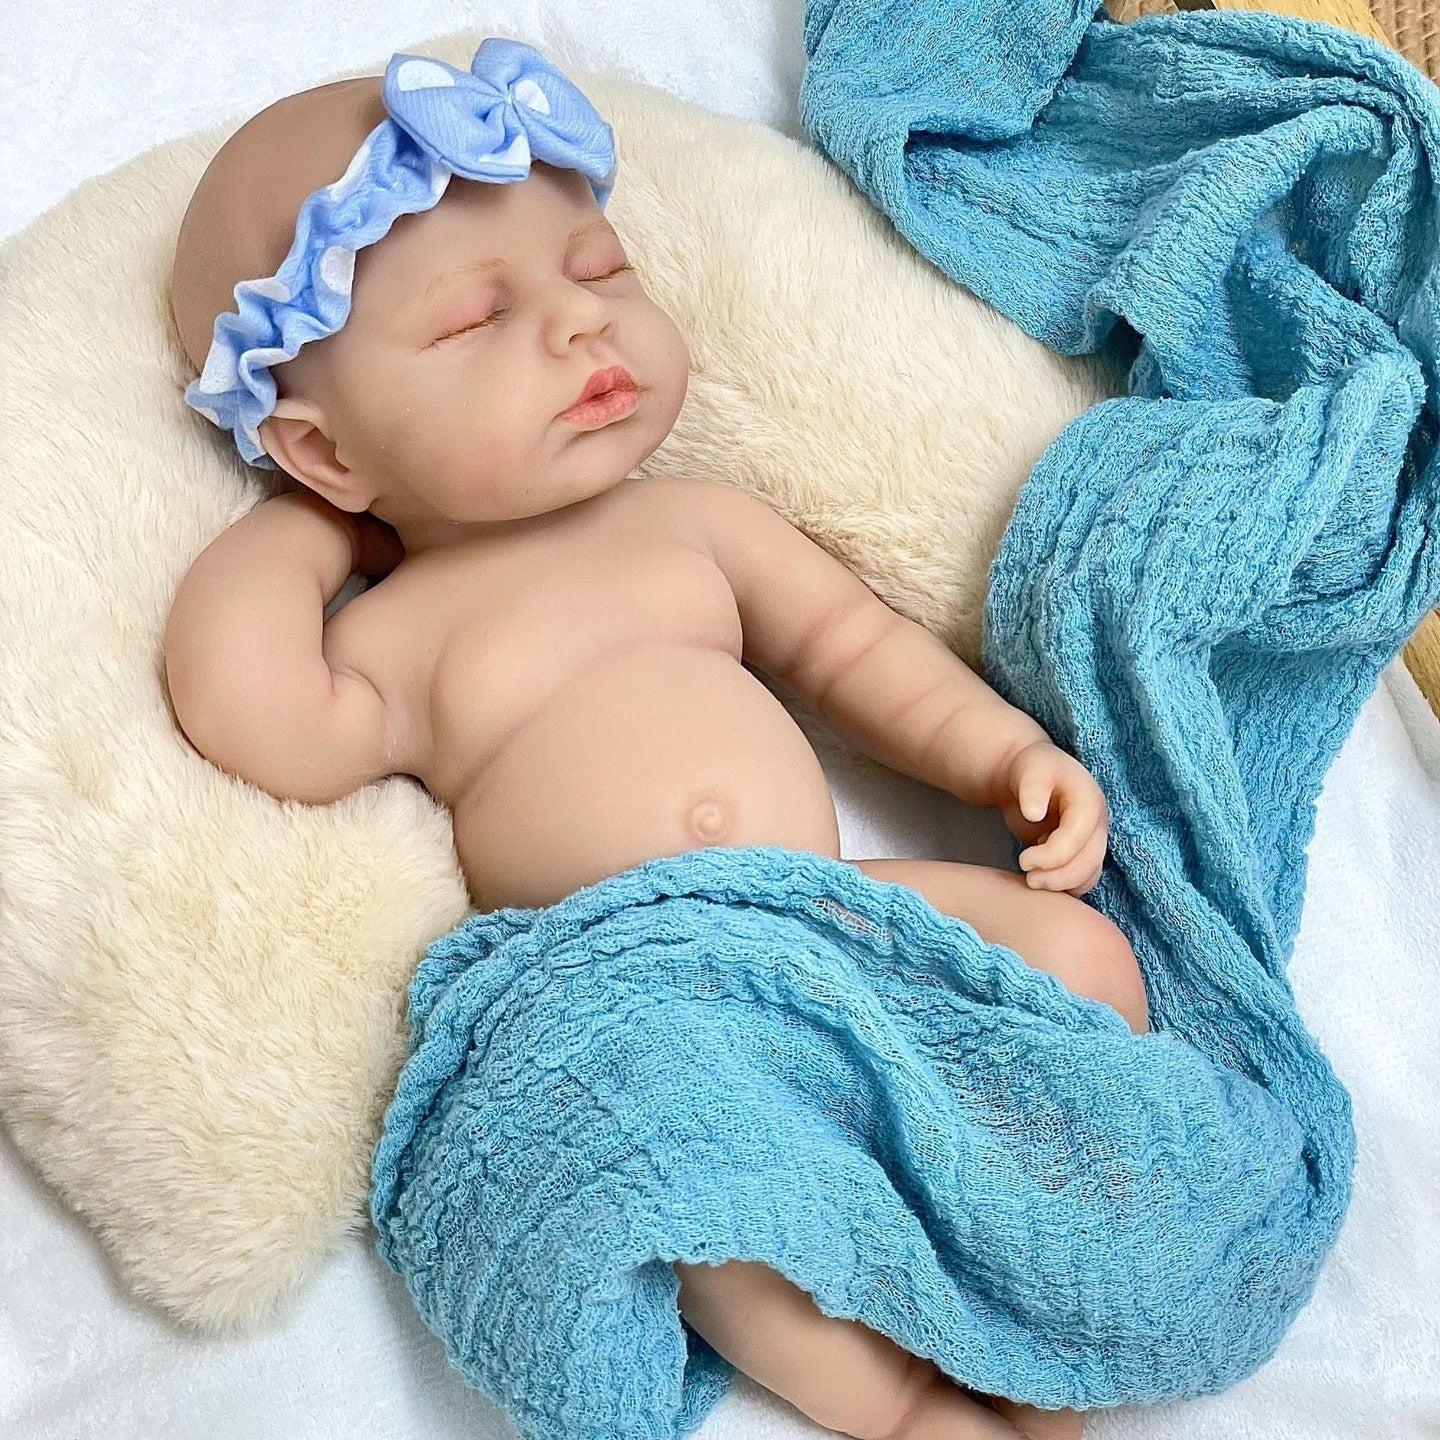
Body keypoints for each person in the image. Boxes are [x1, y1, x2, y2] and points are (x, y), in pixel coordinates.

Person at [164, 37, 1147, 1440]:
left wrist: (998, 757)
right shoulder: (402, 637)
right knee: (692, 1187)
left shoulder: (695, 524)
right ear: (326, 449)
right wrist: (303, 531)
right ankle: (900, 1408)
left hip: (829, 917)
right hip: (646, 996)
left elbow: (855, 650)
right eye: (476, 321)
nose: (583, 327)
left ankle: (1024, 1289)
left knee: (1080, 958)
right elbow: (252, 711)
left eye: (600, 270)